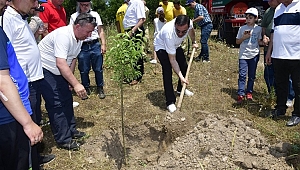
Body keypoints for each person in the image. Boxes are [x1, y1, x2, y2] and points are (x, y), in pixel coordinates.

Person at [1, 0, 55, 168]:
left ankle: (35, 157)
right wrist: (26, 122)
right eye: (32, 0)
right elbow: (3, 77)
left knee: (34, 119)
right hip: (14, 92)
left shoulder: (21, 18)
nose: (36, 3)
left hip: (29, 80)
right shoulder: (7, 19)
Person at [38, 13, 94, 150]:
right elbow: (61, 63)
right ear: (77, 26)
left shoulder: (79, 38)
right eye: (88, 31)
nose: (89, 35)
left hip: (59, 70)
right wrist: (76, 84)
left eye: (91, 32)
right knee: (56, 103)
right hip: (45, 68)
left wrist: (70, 80)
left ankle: (71, 130)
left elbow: (72, 59)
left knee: (67, 98)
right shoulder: (64, 35)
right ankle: (64, 139)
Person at [265, 0, 300, 127]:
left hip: (296, 55)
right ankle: (280, 108)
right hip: (279, 55)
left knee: (298, 85)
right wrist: (269, 52)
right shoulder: (278, 9)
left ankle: (297, 114)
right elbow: (274, 32)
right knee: (280, 84)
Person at [154, 15, 198, 113]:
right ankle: (170, 102)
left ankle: (180, 89)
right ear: (175, 25)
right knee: (167, 71)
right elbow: (172, 60)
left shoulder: (189, 23)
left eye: (183, 32)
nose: (180, 34)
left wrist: (194, 41)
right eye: (178, 31)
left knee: (184, 66)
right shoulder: (168, 34)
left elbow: (191, 31)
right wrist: (182, 77)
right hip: (161, 47)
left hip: (175, 45)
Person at [70, 0, 107, 99]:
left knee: (98, 68)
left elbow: (100, 30)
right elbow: (72, 32)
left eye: (87, 5)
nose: (85, 7)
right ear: (79, 5)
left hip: (95, 44)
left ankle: (100, 87)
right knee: (83, 69)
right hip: (82, 46)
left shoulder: (95, 14)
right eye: (83, 5)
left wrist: (103, 43)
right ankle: (86, 87)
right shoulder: (74, 16)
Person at [235, 7, 263, 104]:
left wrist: (264, 41)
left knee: (252, 75)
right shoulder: (242, 28)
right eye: (246, 17)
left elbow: (259, 41)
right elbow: (237, 41)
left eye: (250, 17)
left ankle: (249, 92)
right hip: (243, 54)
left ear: (256, 18)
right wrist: (244, 37)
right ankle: (240, 94)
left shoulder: (258, 29)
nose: (248, 19)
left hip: (254, 54)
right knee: (242, 74)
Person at [123, 0, 146, 85]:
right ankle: (136, 73)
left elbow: (142, 19)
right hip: (130, 30)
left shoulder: (137, 2)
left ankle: (137, 77)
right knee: (132, 53)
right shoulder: (130, 4)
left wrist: (132, 31)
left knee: (136, 53)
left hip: (135, 30)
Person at [261, 0, 280, 95]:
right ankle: (272, 93)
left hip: (280, 48)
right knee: (268, 72)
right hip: (268, 48)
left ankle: (288, 96)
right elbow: (263, 27)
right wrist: (264, 36)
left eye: (271, 0)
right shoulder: (268, 11)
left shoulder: (284, 11)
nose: (269, 2)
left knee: (283, 73)